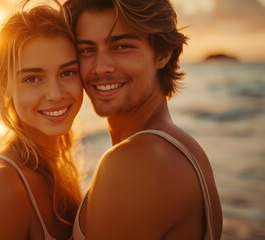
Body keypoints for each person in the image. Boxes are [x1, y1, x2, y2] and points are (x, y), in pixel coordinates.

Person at [65, 0, 223, 239]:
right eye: (87, 50)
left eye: (121, 46)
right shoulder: (184, 148)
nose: (101, 68)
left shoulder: (134, 163)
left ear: (162, 53)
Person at [0, 1, 83, 239]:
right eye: (32, 79)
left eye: (68, 72)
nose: (56, 94)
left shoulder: (60, 165)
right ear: (5, 85)